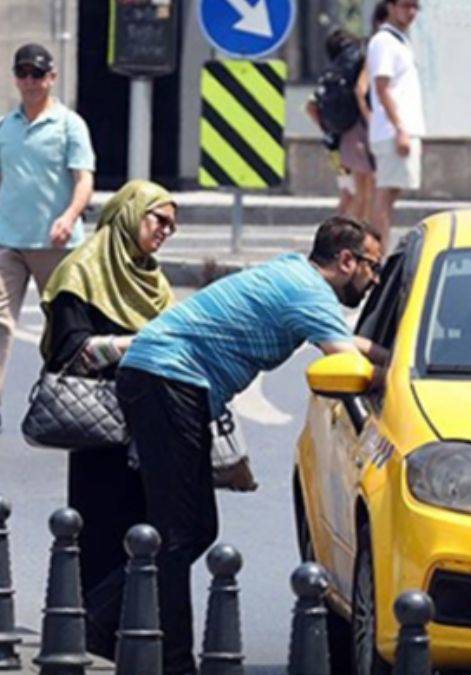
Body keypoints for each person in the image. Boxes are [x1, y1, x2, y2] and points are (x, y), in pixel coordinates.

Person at [107, 217, 388, 674]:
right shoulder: (309, 293)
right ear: (346, 260)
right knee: (180, 531)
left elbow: (348, 339)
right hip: (168, 380)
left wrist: (390, 355)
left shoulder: (297, 277)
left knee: (191, 528)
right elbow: (348, 361)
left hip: (165, 380)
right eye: (372, 267)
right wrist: (403, 375)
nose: (374, 280)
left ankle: (105, 620)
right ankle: (168, 659)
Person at [39, 180, 176, 657]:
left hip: (149, 425)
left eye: (172, 227)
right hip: (98, 427)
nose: (165, 233)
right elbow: (67, 351)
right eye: (158, 220)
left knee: (147, 533)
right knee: (99, 531)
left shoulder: (152, 280)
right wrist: (131, 346)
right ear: (129, 213)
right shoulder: (81, 272)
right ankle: (89, 635)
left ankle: (129, 637)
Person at [0, 43, 95, 422]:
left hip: (57, 245)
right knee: (0, 323)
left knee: (64, 329)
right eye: (23, 73)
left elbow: (83, 178)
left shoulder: (69, 125)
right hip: (9, 243)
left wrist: (69, 216)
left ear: (51, 77)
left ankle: (70, 403)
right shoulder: (6, 127)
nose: (30, 81)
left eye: (37, 74)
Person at [368, 0, 425, 251]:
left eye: (415, 6)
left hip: (402, 129)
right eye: (405, 5)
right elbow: (382, 88)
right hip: (394, 131)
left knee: (391, 195)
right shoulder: (384, 41)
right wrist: (400, 128)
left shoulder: (400, 40)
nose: (411, 12)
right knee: (385, 196)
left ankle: (378, 253)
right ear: (390, 6)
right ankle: (377, 256)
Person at [305, 29, 375, 222]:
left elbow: (310, 106)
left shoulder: (331, 72)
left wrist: (326, 127)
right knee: (359, 192)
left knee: (347, 192)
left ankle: (336, 230)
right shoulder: (353, 67)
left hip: (334, 145)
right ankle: (340, 233)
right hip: (354, 138)